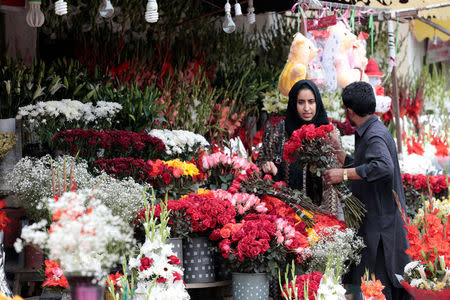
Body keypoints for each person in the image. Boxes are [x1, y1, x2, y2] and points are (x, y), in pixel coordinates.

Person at [322, 81, 411, 300]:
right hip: (380, 226)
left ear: (349, 111)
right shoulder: (373, 130)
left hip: (381, 232)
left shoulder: (374, 135)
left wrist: (343, 175)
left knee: (379, 291)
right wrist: (341, 155)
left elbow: (383, 166)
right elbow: (368, 165)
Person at [256, 79, 342, 214]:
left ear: (317, 102)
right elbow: (259, 166)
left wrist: (327, 221)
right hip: (284, 214)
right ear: (293, 103)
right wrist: (266, 166)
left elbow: (333, 181)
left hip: (319, 214)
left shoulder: (330, 134)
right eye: (301, 102)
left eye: (311, 102)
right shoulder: (277, 132)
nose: (306, 108)